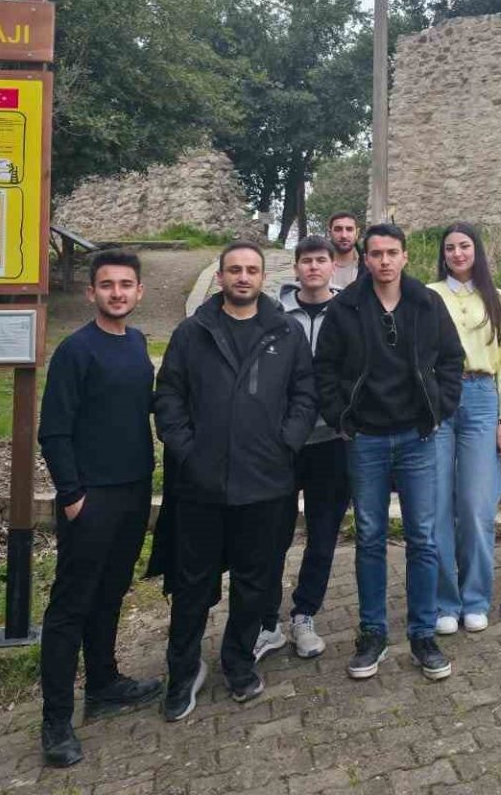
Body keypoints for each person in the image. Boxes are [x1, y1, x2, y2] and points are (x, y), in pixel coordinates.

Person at [154, 242, 319, 722]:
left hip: (265, 482)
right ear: (221, 277)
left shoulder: (285, 331)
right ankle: (183, 671)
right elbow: (169, 395)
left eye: (251, 270)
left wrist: (286, 442)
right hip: (201, 485)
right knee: (191, 586)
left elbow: (305, 395)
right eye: (234, 270)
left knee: (255, 582)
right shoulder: (193, 332)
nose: (243, 277)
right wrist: (186, 450)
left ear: (263, 277)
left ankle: (238, 661)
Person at [314, 223, 464, 682]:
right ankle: (373, 633)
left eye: (392, 252)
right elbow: (325, 368)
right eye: (376, 253)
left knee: (423, 537)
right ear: (366, 258)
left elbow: (451, 359)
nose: (384, 261)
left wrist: (439, 408)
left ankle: (423, 634)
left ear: (405, 256)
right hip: (366, 439)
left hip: (417, 436)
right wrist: (342, 418)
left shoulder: (427, 303)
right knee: (370, 536)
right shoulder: (346, 307)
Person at [36, 250, 163, 768]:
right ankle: (56, 721)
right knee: (71, 607)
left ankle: (105, 682)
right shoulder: (75, 351)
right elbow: (54, 430)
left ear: (139, 292)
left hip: (133, 490)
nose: (117, 293)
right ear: (92, 293)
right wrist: (71, 496)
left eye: (125, 284)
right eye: (107, 285)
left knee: (111, 592)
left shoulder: (136, 343)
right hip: (91, 498)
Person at [254, 234, 349, 661]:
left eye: (320, 260)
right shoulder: (273, 315)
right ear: (295, 268)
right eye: (306, 260)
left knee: (323, 534)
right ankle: (266, 621)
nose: (313, 267)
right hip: (283, 443)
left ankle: (304, 614)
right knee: (272, 535)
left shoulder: (348, 311)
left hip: (332, 441)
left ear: (333, 266)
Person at [428, 222, 501, 636]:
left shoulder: (496, 298)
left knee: (477, 505)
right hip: (439, 399)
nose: (458, 254)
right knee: (437, 507)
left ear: (476, 250)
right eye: (450, 248)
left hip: (482, 398)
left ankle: (476, 597)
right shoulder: (430, 295)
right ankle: (444, 602)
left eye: (464, 246)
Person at [328, 211, 363, 289]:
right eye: (338, 229)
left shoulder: (368, 266)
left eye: (349, 229)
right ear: (330, 233)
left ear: (357, 233)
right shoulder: (318, 265)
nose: (344, 235)